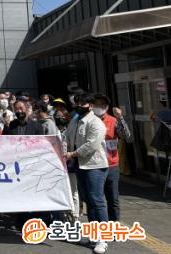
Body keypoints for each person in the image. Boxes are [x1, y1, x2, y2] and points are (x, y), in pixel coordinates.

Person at [65, 93, 109, 254]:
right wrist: (63, 144)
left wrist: (72, 154)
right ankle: (94, 235)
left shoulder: (96, 122)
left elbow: (92, 145)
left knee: (97, 201)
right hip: (80, 166)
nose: (78, 106)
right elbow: (66, 136)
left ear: (90, 106)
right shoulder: (75, 120)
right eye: (77, 103)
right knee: (88, 202)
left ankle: (103, 238)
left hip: (95, 166)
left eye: (82, 103)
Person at [92, 94, 132, 223]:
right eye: (96, 104)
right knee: (96, 199)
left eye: (102, 105)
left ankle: (114, 225)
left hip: (111, 165)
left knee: (113, 198)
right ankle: (99, 226)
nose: (99, 107)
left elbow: (126, 136)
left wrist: (120, 118)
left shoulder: (113, 121)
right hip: (94, 165)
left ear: (107, 107)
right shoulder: (88, 121)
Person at [54, 107, 79, 222]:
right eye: (57, 116)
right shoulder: (53, 131)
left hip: (70, 165)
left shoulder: (71, 130)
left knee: (73, 191)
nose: (60, 118)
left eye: (62, 116)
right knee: (59, 191)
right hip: (56, 166)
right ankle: (62, 216)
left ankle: (75, 215)